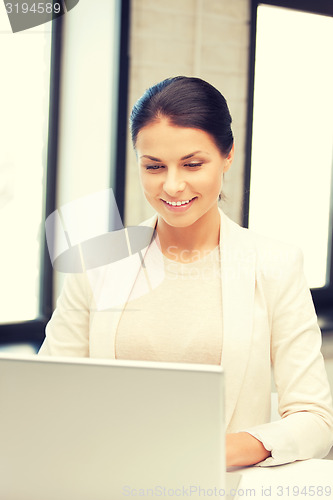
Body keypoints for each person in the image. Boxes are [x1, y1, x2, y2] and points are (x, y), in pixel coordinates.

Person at [39, 76, 333, 467]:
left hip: (213, 484)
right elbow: (45, 392)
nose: (173, 185)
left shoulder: (274, 264)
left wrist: (205, 451)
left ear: (227, 155)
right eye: (154, 166)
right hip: (103, 481)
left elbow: (315, 420)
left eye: (192, 164)